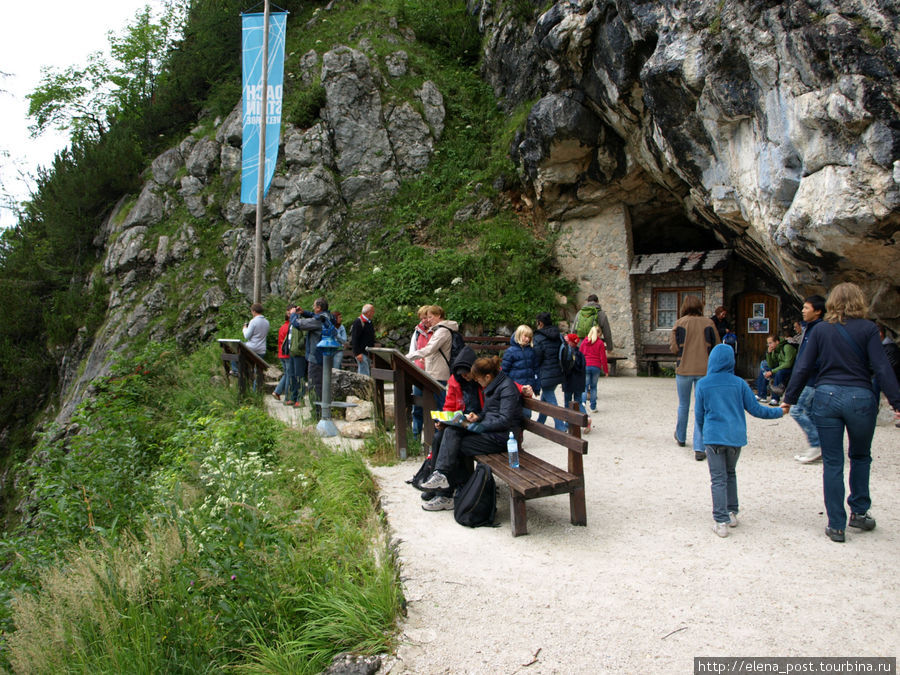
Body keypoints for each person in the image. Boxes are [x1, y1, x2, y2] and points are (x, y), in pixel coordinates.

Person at [782, 282, 900, 543]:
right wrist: (897, 402)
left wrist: (789, 398)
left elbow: (803, 366)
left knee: (833, 462)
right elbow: (882, 368)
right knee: (860, 456)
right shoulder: (869, 329)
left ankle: (836, 524)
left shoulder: (821, 329)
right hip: (860, 397)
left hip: (826, 397)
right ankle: (858, 511)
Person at [695, 344, 786, 537]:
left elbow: (699, 415)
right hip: (735, 437)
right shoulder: (739, 384)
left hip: (714, 437)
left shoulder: (704, 384)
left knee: (717, 479)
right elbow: (757, 410)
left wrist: (704, 435)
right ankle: (731, 512)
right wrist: (779, 412)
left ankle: (720, 521)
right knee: (730, 473)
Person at [419, 356, 524, 511]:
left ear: (487, 377)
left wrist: (480, 425)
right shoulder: (494, 385)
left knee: (454, 445)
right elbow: (488, 412)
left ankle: (447, 491)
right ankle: (441, 480)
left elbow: (505, 420)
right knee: (447, 432)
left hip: (502, 438)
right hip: (491, 431)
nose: (477, 383)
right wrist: (477, 417)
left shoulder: (507, 389)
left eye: (479, 380)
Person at [670, 295, 717, 460]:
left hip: (683, 369)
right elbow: (716, 346)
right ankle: (699, 446)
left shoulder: (679, 323)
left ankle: (681, 437)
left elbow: (674, 348)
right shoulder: (709, 323)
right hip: (704, 370)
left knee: (683, 404)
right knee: (701, 407)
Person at [791, 296, 825, 463]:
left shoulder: (819, 330)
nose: (803, 311)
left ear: (817, 311)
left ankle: (816, 444)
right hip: (808, 377)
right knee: (810, 412)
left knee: (796, 410)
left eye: (806, 308)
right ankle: (822, 446)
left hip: (812, 378)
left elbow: (817, 357)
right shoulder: (810, 328)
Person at [407, 305, 457, 410]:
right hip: (434, 371)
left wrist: (408, 357)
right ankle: (435, 426)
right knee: (434, 406)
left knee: (440, 406)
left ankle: (440, 426)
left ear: (439, 315)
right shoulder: (438, 330)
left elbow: (430, 349)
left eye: (430, 317)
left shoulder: (442, 331)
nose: (428, 320)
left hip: (439, 373)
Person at [289, 297, 333, 411]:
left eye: (314, 306)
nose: (313, 308)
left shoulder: (319, 321)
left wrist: (293, 314)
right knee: (320, 385)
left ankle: (317, 413)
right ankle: (319, 411)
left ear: (319, 308)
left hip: (316, 357)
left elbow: (297, 324)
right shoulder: (327, 316)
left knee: (315, 385)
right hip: (324, 356)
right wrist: (304, 313)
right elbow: (314, 317)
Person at [532, 312, 566, 431]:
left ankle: (560, 426)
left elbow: (537, 357)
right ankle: (540, 422)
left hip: (545, 373)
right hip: (557, 371)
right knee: (546, 397)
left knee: (551, 400)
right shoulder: (558, 335)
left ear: (540, 323)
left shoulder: (538, 338)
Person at [501, 324, 540, 419]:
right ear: (518, 335)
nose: (527, 339)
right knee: (515, 414)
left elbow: (535, 370)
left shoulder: (531, 351)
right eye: (525, 336)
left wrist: (536, 387)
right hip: (515, 388)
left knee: (527, 415)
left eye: (529, 337)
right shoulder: (510, 352)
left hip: (528, 389)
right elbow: (504, 372)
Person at [408, 306, 432, 441]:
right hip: (419, 371)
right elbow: (413, 350)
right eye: (422, 318)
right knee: (417, 406)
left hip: (433, 373)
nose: (424, 321)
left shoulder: (437, 332)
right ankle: (416, 437)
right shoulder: (417, 332)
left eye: (426, 318)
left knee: (434, 406)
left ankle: (433, 438)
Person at [755, 330, 796, 405]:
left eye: (770, 343)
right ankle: (761, 394)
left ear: (777, 342)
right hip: (780, 368)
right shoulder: (775, 350)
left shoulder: (787, 347)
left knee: (779, 373)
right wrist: (769, 354)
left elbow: (788, 364)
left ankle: (775, 398)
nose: (769, 345)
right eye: (768, 343)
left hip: (790, 370)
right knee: (764, 370)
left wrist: (772, 371)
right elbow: (771, 365)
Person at [560, 333, 589, 432]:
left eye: (567, 340)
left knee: (567, 403)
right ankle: (586, 419)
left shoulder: (568, 353)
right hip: (579, 382)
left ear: (571, 342)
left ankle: (568, 423)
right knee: (579, 402)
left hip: (569, 382)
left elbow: (567, 368)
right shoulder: (580, 354)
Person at [579, 325, 609, 413]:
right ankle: (593, 406)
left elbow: (580, 354)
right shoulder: (600, 343)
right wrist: (606, 370)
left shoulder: (584, 342)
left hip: (586, 365)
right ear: (599, 333)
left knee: (584, 386)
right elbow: (603, 357)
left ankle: (583, 403)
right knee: (593, 387)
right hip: (596, 366)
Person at [272, 307, 292, 401]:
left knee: (286, 374)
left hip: (281, 353)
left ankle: (277, 392)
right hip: (288, 354)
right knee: (288, 374)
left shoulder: (282, 327)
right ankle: (287, 396)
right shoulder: (290, 328)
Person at [350, 304, 376, 377]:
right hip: (361, 353)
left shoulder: (369, 322)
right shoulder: (358, 322)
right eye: (373, 311)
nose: (374, 313)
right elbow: (354, 339)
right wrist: (357, 353)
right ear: (368, 312)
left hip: (368, 353)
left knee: (365, 372)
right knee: (364, 374)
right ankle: (363, 388)